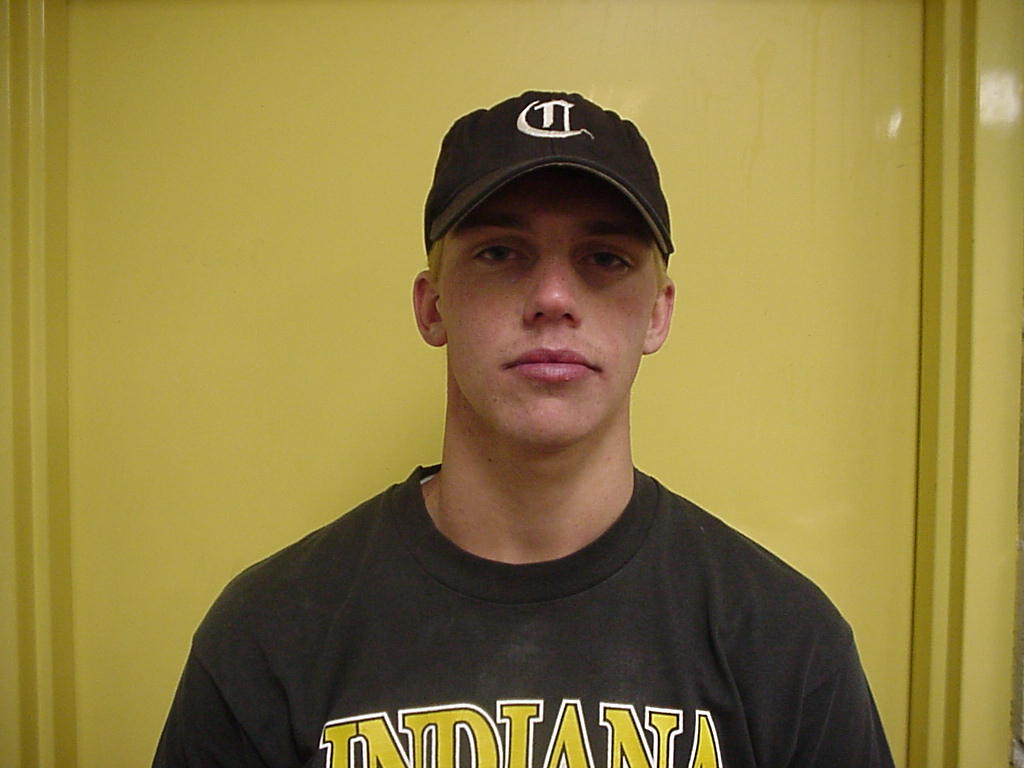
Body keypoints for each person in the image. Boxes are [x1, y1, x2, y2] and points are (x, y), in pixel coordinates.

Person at [154, 91, 895, 768]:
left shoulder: (786, 642)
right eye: (501, 253)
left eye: (604, 258)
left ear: (657, 313)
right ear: (433, 306)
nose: (553, 296)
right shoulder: (269, 636)